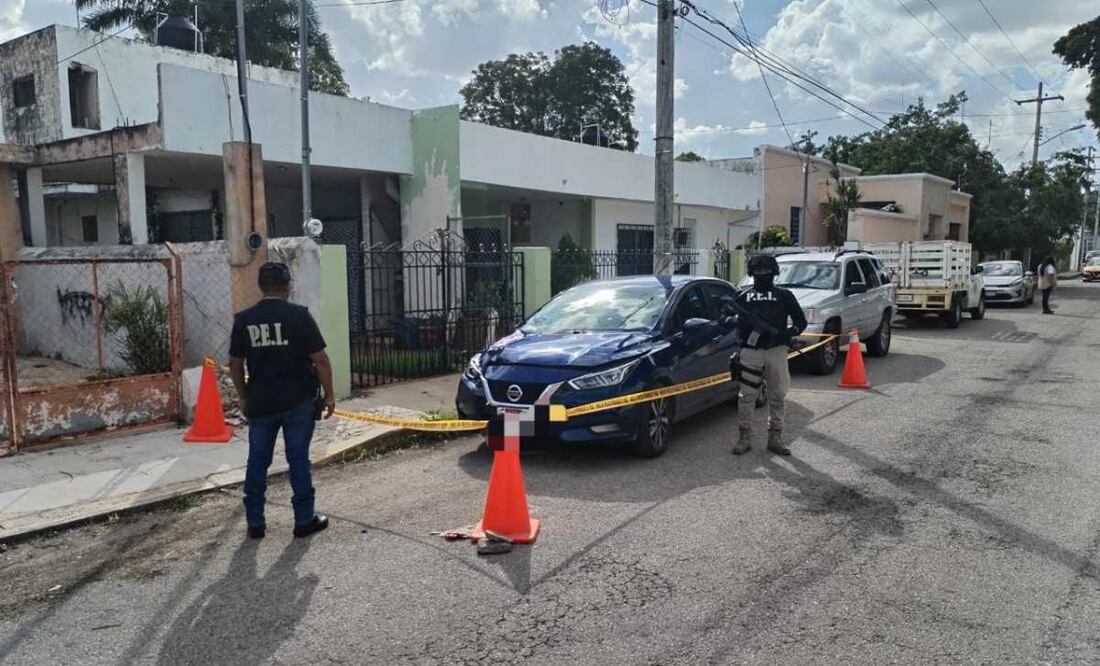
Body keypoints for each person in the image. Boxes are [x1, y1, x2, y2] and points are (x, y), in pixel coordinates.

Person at [229, 262, 336, 539]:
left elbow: (235, 363)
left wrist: (242, 396)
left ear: (260, 286)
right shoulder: (299, 317)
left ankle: (255, 522)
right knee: (298, 458)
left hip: (261, 401)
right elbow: (320, 360)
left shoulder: (244, 320)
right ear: (288, 286)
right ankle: (304, 519)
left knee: (257, 461)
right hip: (297, 400)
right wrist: (331, 395)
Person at [729, 254, 807, 456]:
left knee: (778, 395)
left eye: (766, 272)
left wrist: (787, 334)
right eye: (758, 272)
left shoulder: (784, 295)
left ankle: (775, 436)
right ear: (752, 274)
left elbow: (801, 321)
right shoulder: (742, 297)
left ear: (774, 273)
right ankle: (744, 436)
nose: (762, 275)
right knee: (747, 396)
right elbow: (729, 321)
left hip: (777, 350)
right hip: (750, 351)